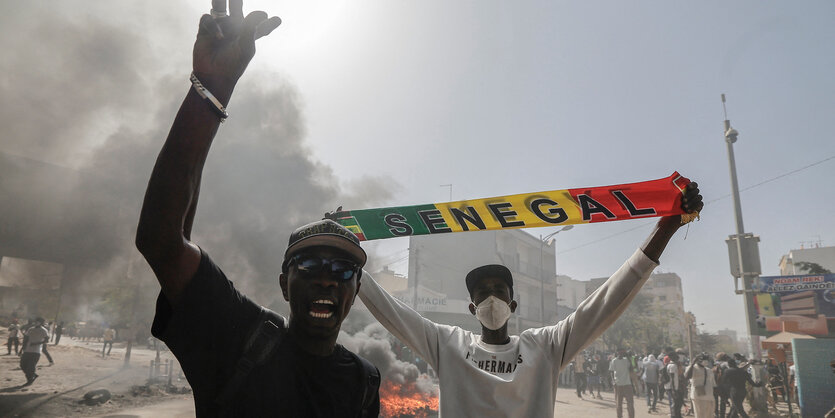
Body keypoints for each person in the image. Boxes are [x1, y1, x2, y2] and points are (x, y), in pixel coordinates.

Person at [134, 1, 379, 416]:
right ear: (284, 284)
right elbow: (162, 240)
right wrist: (212, 90)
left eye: (342, 272)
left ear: (354, 292)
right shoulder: (237, 337)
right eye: (310, 267)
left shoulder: (363, 381)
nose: (326, 281)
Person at [356, 182, 702, 416]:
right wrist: (349, 260)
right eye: (482, 294)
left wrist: (666, 227)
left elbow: (608, 300)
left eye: (499, 291)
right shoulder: (448, 344)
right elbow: (392, 312)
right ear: (472, 308)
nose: (492, 298)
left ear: (513, 304)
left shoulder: (545, 346)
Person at [685, 353, 716, 418]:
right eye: (704, 359)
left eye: (707, 359)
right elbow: (687, 376)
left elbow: (713, 384)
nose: (706, 361)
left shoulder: (708, 370)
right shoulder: (692, 368)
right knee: (700, 415)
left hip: (709, 397)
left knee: (709, 415)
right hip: (698, 396)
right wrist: (693, 363)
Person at [20, 317, 49, 385]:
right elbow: (26, 339)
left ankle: (29, 379)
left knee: (31, 366)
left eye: (37, 321)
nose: (35, 322)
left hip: (36, 351)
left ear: (41, 323)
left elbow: (46, 340)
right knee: (22, 365)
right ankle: (33, 375)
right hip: (27, 350)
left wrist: (37, 343)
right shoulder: (31, 329)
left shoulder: (44, 330)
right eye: (35, 321)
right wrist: (22, 349)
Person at [611, 348, 636, 418]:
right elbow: (611, 371)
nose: (621, 354)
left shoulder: (627, 360)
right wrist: (613, 380)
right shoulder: (614, 361)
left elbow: (632, 368)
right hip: (618, 384)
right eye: (620, 352)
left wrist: (628, 356)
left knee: (630, 403)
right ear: (617, 352)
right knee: (619, 404)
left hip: (627, 384)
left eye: (623, 352)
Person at [666, 353, 685, 418]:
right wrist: (674, 390)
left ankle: (678, 415)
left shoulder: (674, 365)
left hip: (676, 387)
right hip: (674, 388)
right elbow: (672, 378)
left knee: (678, 403)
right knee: (676, 404)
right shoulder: (672, 366)